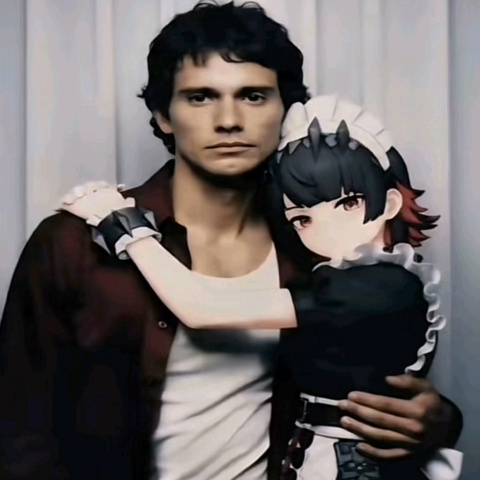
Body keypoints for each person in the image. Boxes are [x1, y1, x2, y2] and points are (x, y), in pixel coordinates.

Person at [0, 2, 462, 480]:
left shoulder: (322, 245)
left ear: (285, 112)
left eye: (254, 96)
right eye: (200, 97)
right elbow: (18, 426)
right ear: (163, 115)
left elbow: (372, 371)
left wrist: (439, 421)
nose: (228, 120)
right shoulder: (73, 243)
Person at [58, 95, 459, 480]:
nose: (325, 229)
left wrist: (123, 225)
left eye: (347, 203)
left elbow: (199, 307)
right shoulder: (351, 275)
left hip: (354, 467)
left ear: (390, 203)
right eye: (302, 218)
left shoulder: (378, 287)